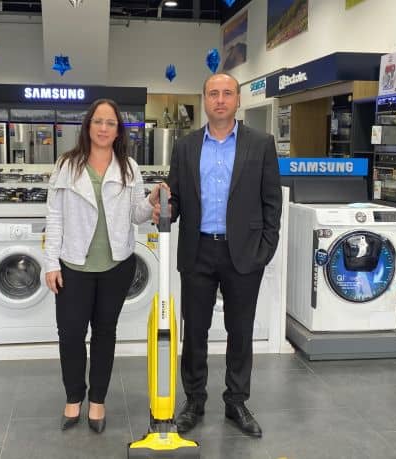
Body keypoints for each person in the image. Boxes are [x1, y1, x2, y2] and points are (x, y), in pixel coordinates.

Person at [164, 72, 282, 438]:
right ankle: (194, 401)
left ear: (238, 100)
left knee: (240, 330)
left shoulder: (261, 143)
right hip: (197, 251)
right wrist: (163, 205)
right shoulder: (185, 146)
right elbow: (176, 200)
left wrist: (265, 249)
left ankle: (236, 402)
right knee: (194, 331)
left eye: (227, 93)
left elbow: (272, 201)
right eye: (213, 93)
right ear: (204, 99)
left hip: (244, 253)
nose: (220, 99)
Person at [44, 98, 164, 434]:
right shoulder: (67, 165)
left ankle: (97, 399)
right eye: (98, 121)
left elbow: (136, 215)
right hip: (73, 264)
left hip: (116, 265)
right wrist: (51, 262)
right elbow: (54, 215)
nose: (103, 128)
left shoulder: (129, 167)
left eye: (110, 123)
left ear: (118, 130)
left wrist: (151, 201)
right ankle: (74, 397)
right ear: (88, 126)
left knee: (104, 333)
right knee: (70, 334)